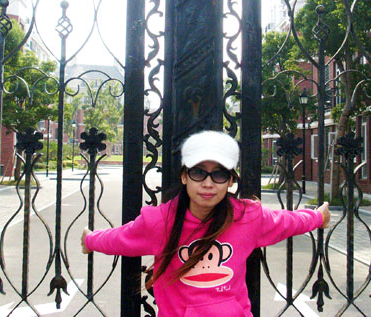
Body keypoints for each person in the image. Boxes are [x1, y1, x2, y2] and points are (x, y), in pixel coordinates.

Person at [81, 130, 330, 317]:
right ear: (184, 176)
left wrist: (318, 217)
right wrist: (90, 240)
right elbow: (121, 238)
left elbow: (286, 222)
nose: (208, 184)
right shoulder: (160, 222)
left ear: (230, 180)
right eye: (198, 172)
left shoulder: (247, 217)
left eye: (219, 174)